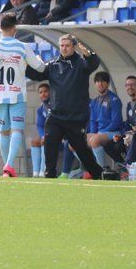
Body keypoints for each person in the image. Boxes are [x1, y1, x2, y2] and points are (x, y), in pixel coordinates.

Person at [0, 13, 46, 177]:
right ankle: (9, 165)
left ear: (0, 28)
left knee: (4, 132)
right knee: (16, 131)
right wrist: (39, 59)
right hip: (17, 95)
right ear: (15, 28)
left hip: (0, 95)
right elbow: (41, 68)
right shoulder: (22, 47)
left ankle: (7, 168)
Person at [25, 34, 105, 180]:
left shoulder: (81, 63)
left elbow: (93, 63)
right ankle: (50, 174)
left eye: (67, 45)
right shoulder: (53, 64)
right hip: (56, 115)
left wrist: (87, 53)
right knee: (50, 143)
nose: (64, 48)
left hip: (76, 117)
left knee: (81, 150)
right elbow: (37, 75)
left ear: (74, 47)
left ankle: (98, 174)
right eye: (62, 45)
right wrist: (26, 64)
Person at [86, 71, 124, 168]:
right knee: (74, 142)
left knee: (94, 140)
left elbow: (116, 122)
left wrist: (99, 133)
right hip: (100, 133)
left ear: (107, 83)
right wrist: (93, 133)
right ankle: (89, 168)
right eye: (98, 81)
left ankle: (101, 169)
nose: (100, 83)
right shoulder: (94, 101)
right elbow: (93, 121)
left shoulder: (114, 99)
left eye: (103, 81)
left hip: (113, 132)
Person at [30, 83, 51, 177]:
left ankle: (43, 171)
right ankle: (35, 173)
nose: (43, 94)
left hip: (58, 135)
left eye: (45, 91)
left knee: (44, 141)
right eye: (40, 92)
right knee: (34, 142)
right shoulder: (40, 109)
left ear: (50, 92)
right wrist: (43, 135)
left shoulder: (56, 105)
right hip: (47, 135)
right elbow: (39, 126)